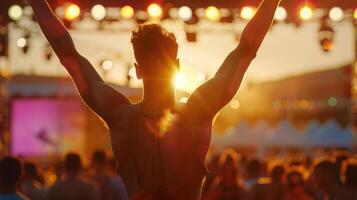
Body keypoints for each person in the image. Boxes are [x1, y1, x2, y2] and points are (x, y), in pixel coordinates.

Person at [27, 0, 281, 198]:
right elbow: (246, 49)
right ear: (178, 66)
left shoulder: (120, 117)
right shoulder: (197, 113)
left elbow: (66, 51)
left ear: (137, 69)